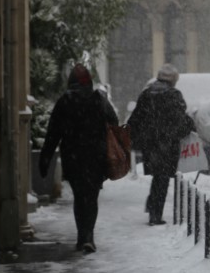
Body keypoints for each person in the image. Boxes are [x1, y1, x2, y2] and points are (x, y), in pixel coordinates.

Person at [39, 64, 119, 253]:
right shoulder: (98, 99)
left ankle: (81, 236)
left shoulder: (64, 101)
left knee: (79, 196)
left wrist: (45, 158)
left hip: (73, 157)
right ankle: (88, 236)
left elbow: (53, 133)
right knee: (91, 197)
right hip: (95, 157)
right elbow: (114, 121)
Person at [128, 64, 194, 225]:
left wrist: (134, 139)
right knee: (162, 178)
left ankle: (152, 206)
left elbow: (136, 118)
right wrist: (188, 128)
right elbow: (181, 120)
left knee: (158, 176)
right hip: (166, 144)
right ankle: (155, 215)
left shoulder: (147, 94)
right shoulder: (173, 96)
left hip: (150, 145)